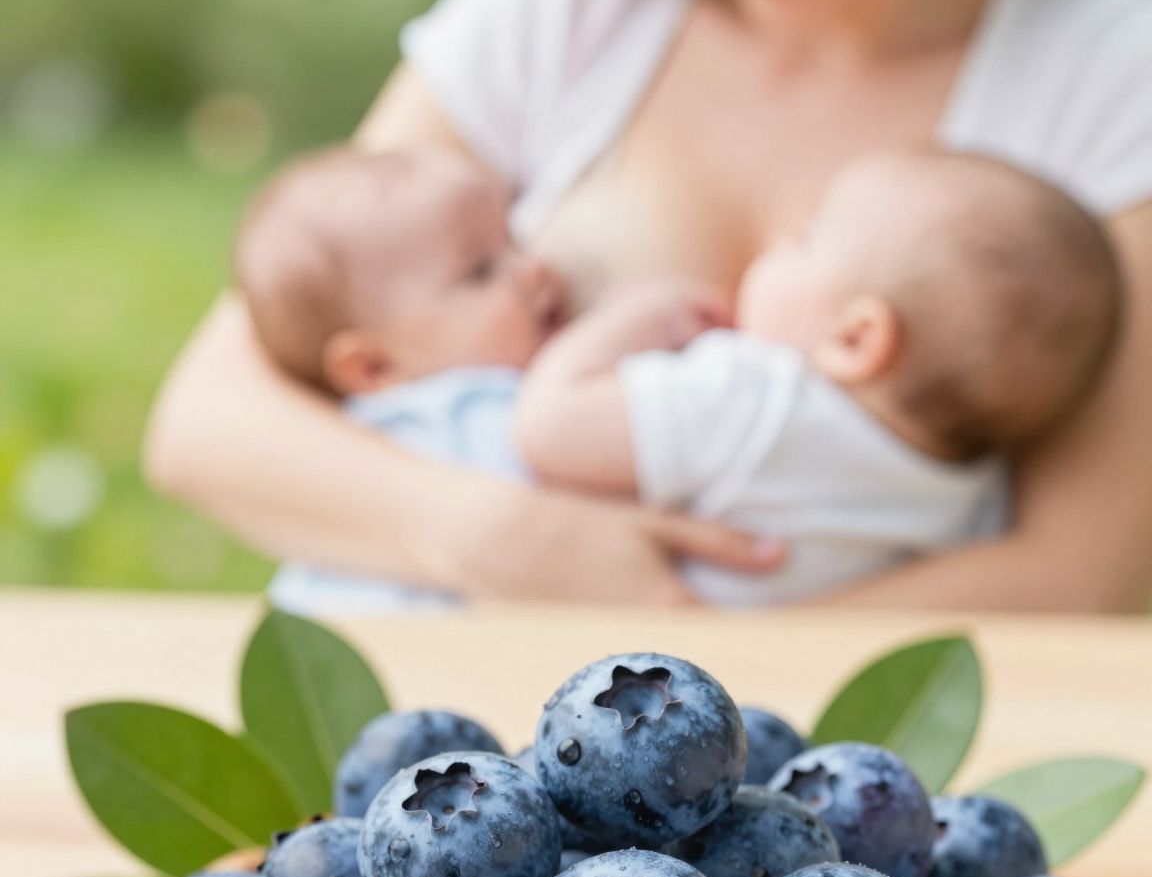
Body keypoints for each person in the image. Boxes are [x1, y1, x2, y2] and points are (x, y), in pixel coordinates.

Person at [145, 0, 1152, 610]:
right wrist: (504, 538)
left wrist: (701, 709)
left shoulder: (1111, 71)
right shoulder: (555, 11)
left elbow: (1082, 567)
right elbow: (211, 421)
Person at [236, 138, 1120, 614]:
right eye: (482, 270)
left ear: (856, 340)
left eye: (802, 242)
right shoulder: (959, 492)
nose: (536, 268)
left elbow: (548, 431)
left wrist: (620, 331)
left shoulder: (753, 404)